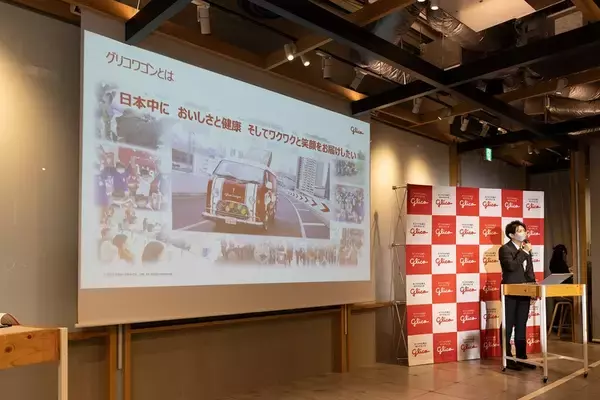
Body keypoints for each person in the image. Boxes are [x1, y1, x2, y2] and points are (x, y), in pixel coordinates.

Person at [499, 220, 537, 371]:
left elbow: (529, 271)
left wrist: (534, 290)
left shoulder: (525, 249)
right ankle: (507, 359)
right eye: (520, 231)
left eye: (524, 230)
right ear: (511, 235)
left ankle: (522, 357)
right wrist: (525, 252)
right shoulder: (505, 249)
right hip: (510, 291)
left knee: (521, 324)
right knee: (508, 325)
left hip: (525, 291)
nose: (524, 233)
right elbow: (511, 267)